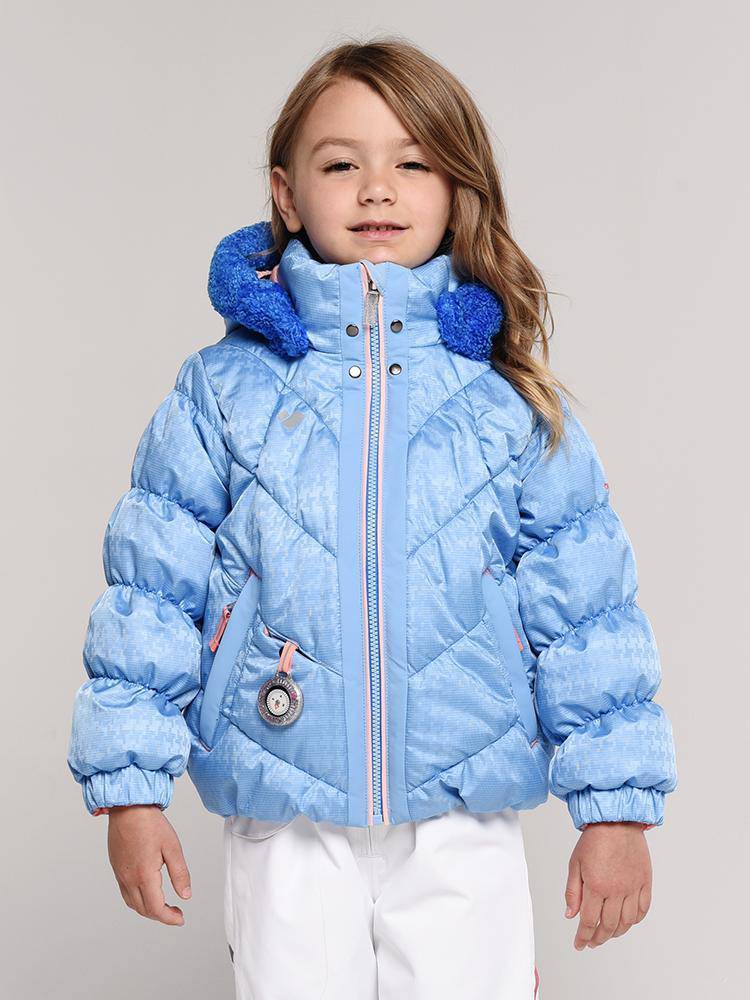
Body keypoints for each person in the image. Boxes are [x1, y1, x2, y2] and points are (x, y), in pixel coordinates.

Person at [67, 37, 678, 1000]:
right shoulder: (224, 392)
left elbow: (588, 610)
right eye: (341, 164)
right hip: (285, 799)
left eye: (413, 164)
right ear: (286, 194)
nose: (378, 189)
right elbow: (151, 591)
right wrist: (130, 790)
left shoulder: (508, 404)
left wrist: (616, 808)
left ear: (458, 189)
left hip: (464, 811)